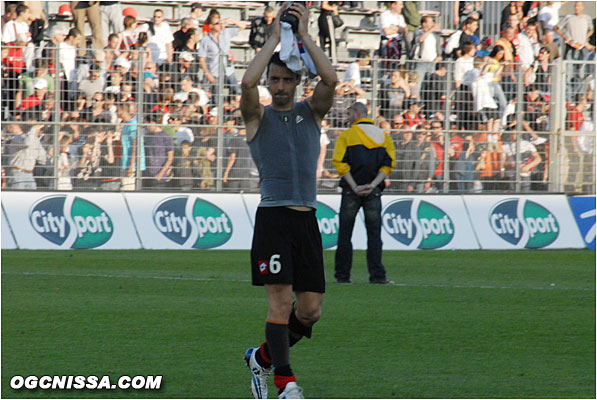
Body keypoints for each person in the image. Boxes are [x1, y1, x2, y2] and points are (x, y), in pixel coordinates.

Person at [239, 3, 337, 398]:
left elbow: (330, 78)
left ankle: (261, 358)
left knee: (310, 311)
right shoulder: (256, 117)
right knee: (279, 304)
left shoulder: (310, 113)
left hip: (306, 219)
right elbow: (247, 84)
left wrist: (305, 37)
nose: (278, 86)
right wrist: (275, 40)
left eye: (284, 80)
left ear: (296, 81)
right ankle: (285, 382)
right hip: (274, 218)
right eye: (273, 80)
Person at [332, 101, 395, 283]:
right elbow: (388, 164)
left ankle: (342, 276)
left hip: (351, 191)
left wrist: (354, 186)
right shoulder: (383, 136)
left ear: (358, 114)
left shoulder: (347, 135)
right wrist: (373, 185)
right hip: (373, 192)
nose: (348, 118)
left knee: (345, 234)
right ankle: (377, 276)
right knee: (374, 235)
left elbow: (340, 164)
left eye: (350, 114)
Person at [198, 10, 247, 98]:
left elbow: (243, 26)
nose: (219, 25)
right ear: (211, 26)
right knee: (217, 96)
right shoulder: (205, 40)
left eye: (220, 22)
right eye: (217, 23)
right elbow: (202, 58)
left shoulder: (225, 33)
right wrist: (207, 73)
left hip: (228, 69)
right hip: (215, 71)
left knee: (237, 91)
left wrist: (231, 20)